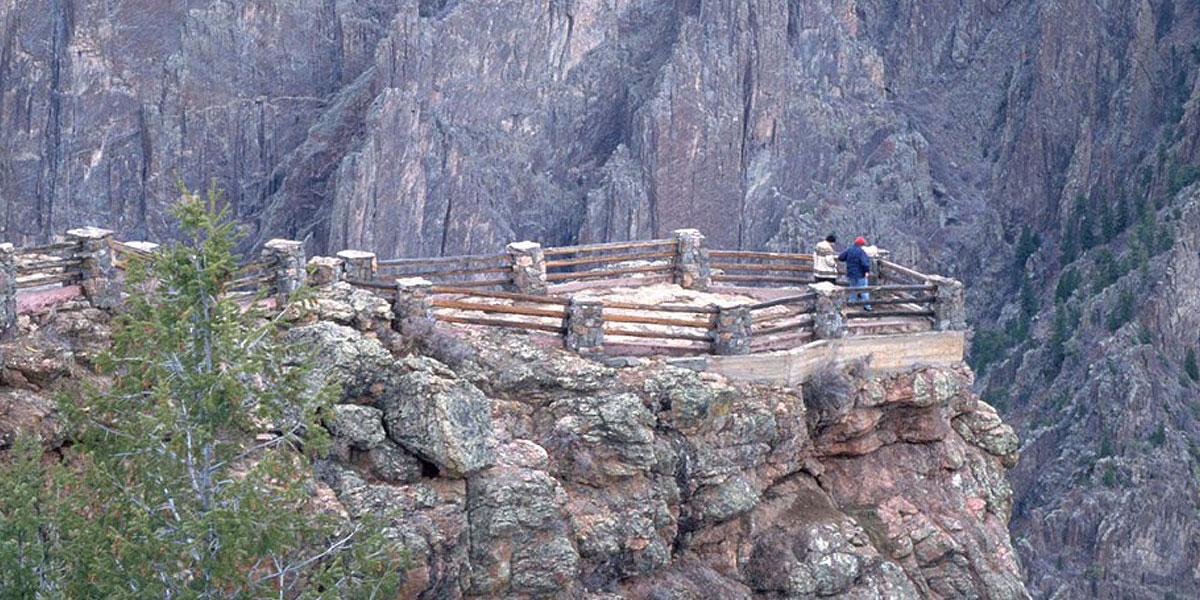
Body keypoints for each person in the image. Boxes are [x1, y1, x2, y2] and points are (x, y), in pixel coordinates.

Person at [838, 236, 873, 311]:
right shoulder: (861, 252)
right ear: (861, 244)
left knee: (852, 289)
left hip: (851, 273)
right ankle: (867, 306)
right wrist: (867, 271)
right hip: (860, 274)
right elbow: (865, 264)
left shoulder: (849, 250)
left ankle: (851, 303)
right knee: (864, 290)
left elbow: (840, 257)